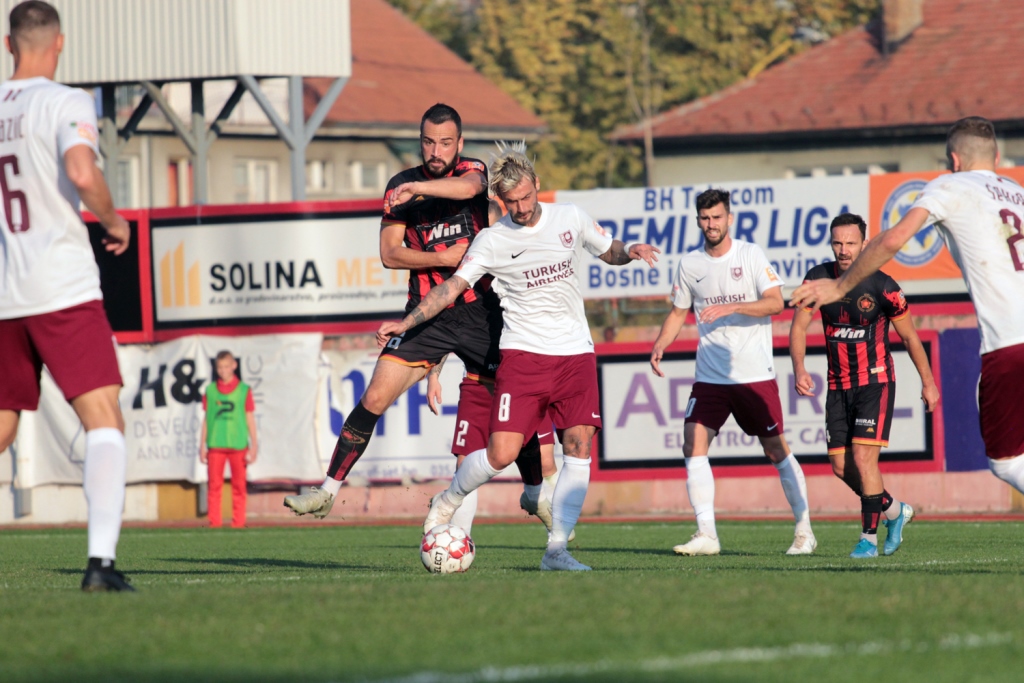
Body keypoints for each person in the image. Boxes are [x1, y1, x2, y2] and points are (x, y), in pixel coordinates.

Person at [379, 141, 659, 571]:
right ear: (498, 199)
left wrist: (631, 251)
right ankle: (448, 498)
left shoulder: (570, 218)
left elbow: (609, 250)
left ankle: (557, 550)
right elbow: (451, 288)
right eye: (511, 201)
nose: (522, 207)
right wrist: (409, 321)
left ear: (537, 185)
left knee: (579, 446)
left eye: (527, 197)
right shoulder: (491, 240)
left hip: (575, 353)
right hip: (524, 356)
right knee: (501, 454)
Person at [284, 104, 541, 517]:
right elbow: (390, 254)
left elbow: (467, 189)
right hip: (427, 313)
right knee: (375, 394)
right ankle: (327, 490)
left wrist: (422, 192)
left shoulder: (473, 171)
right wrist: (444, 258)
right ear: (419, 140)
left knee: (511, 396)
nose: (435, 151)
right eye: (428, 142)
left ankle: (533, 491)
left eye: (444, 142)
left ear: (459, 143)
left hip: (480, 312)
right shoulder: (399, 185)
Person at [791, 116, 1024, 502]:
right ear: (997, 156)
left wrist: (840, 286)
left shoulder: (951, 185)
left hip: (1010, 344)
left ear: (953, 159)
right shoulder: (1016, 190)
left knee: (1006, 461)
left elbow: (895, 238)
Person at [0, 1, 133, 591]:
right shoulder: (66, 100)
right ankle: (100, 565)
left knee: (2, 424)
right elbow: (81, 171)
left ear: (9, 45)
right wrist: (112, 220)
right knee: (104, 419)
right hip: (61, 288)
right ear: (59, 43)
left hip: (4, 292)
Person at [650, 188, 816, 557]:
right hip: (710, 376)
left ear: (730, 219)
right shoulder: (690, 264)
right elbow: (679, 311)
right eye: (705, 219)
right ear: (698, 221)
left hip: (753, 374)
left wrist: (731, 308)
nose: (711, 224)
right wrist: (662, 343)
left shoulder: (750, 254)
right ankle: (706, 533)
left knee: (775, 450)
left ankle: (804, 530)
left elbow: (776, 302)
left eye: (717, 217)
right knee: (692, 440)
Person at [790, 213, 940, 558]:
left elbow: (910, 337)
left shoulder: (883, 286)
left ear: (865, 243)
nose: (843, 250)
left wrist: (928, 383)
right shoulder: (817, 279)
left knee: (863, 458)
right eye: (837, 243)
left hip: (875, 382)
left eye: (851, 243)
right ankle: (893, 510)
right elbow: (798, 328)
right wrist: (799, 368)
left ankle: (867, 540)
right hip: (837, 386)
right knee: (841, 467)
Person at [426, 365, 571, 540]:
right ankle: (458, 542)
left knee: (545, 462)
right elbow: (446, 337)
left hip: (527, 381)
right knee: (465, 465)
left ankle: (557, 548)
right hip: (479, 380)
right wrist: (433, 376)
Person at [200, 351, 258, 529]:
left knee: (239, 486)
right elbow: (206, 419)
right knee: (214, 485)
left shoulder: (243, 390)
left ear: (234, 366)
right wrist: (202, 444)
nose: (223, 371)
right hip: (216, 443)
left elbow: (249, 417)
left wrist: (254, 444)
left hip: (238, 444)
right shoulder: (210, 390)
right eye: (220, 367)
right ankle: (214, 522)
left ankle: (238, 522)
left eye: (226, 366)